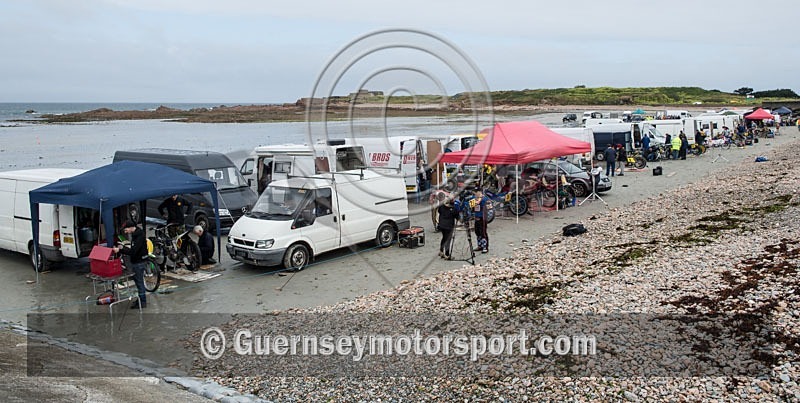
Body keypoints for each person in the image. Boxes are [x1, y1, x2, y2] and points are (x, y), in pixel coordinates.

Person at [113, 220, 147, 309]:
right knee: (138, 281)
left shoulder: (138, 236)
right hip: (138, 260)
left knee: (139, 282)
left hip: (139, 262)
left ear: (131, 227)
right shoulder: (136, 234)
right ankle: (141, 298)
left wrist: (120, 250)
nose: (125, 232)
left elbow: (133, 251)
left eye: (126, 230)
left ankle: (142, 302)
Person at [436, 195, 459, 259]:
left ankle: (441, 251)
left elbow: (439, 211)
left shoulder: (441, 207)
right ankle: (447, 254)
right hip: (449, 226)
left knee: (444, 237)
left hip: (441, 225)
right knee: (448, 240)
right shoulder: (453, 209)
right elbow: (457, 217)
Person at [471, 189, 490, 253]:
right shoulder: (474, 198)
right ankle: (480, 245)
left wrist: (480, 200)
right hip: (476, 217)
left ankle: (485, 247)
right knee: (477, 232)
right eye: (475, 193)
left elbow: (489, 207)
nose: (476, 194)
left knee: (483, 233)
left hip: (482, 218)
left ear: (480, 192)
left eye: (477, 193)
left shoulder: (485, 199)